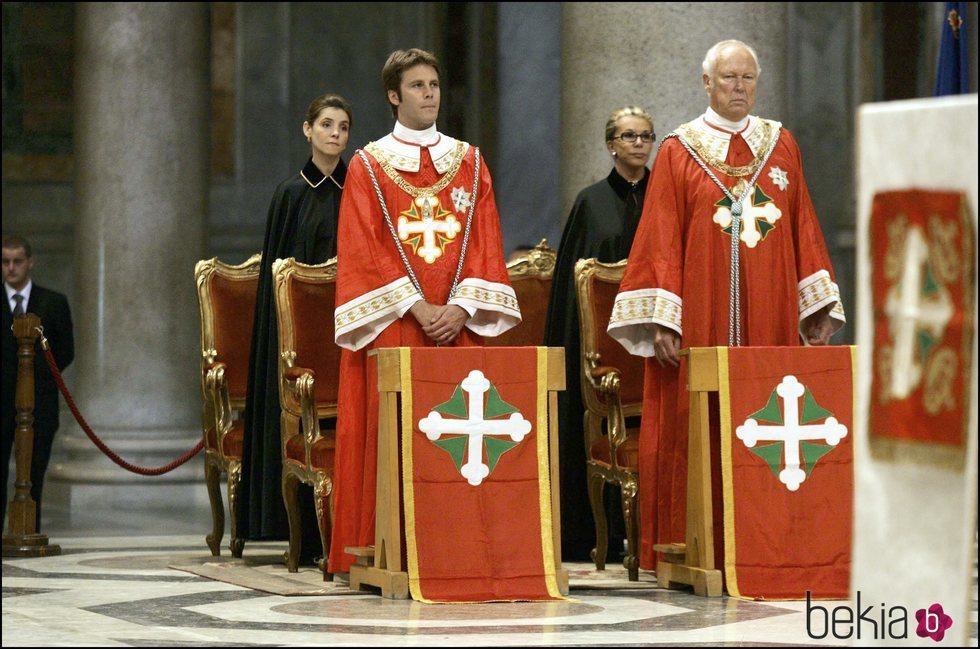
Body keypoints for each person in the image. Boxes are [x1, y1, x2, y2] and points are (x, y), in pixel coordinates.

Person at [606, 40, 845, 573]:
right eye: (729, 78)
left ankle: (773, 538)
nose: (739, 88)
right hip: (700, 320)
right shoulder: (677, 150)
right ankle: (691, 543)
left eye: (748, 79)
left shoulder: (780, 144)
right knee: (696, 424)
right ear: (706, 82)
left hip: (771, 314)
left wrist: (816, 305)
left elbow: (803, 224)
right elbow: (661, 237)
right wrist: (664, 318)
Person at [329, 48, 519, 574]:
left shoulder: (471, 162)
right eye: (416, 86)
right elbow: (363, 250)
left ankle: (458, 547)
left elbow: (487, 241)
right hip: (396, 327)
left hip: (458, 329)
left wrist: (459, 307)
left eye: (433, 84)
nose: (429, 93)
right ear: (393, 96)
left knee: (460, 440)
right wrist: (418, 308)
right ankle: (389, 548)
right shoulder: (368, 166)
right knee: (396, 435)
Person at [237, 94, 352, 555]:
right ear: (308, 130)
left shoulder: (360, 191)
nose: (335, 134)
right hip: (299, 336)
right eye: (326, 125)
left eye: (344, 127)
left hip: (346, 327)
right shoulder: (290, 194)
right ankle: (294, 528)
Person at [543, 106, 655, 562]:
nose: (639, 143)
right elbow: (572, 295)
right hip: (603, 347)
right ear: (611, 144)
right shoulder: (590, 202)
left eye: (647, 135)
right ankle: (590, 530)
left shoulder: (666, 198)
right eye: (629, 136)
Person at [2, 235, 74, 531]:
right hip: (2, 403)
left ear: (30, 262)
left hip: (40, 403)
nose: (11, 268)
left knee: (34, 473)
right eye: (5, 262)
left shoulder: (53, 302)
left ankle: (28, 531)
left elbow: (65, 351)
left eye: (17, 261)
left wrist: (35, 379)